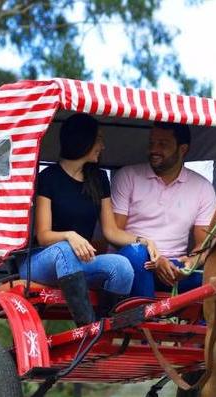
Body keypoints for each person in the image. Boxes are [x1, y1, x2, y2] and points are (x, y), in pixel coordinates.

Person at [19, 114, 159, 325]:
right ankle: (87, 329)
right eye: (99, 139)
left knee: (121, 266)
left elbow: (111, 231)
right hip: (42, 260)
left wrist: (144, 240)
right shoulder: (49, 177)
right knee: (65, 249)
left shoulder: (99, 179)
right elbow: (43, 235)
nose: (102, 146)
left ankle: (104, 327)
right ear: (82, 141)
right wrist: (69, 236)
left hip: (79, 263)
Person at [112, 123, 216, 298]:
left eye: (163, 144)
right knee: (136, 253)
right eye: (152, 143)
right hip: (135, 262)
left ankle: (200, 325)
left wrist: (191, 263)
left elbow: (203, 244)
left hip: (174, 268)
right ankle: (145, 321)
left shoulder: (203, 187)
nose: (154, 150)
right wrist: (156, 258)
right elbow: (114, 233)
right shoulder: (127, 176)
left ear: (182, 149)